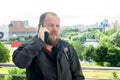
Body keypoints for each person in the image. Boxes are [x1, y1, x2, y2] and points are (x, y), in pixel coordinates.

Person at [12, 12, 85, 80]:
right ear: (40, 27)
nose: (55, 29)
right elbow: (20, 63)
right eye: (51, 25)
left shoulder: (67, 48)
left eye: (57, 26)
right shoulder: (30, 47)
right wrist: (38, 42)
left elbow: (78, 76)